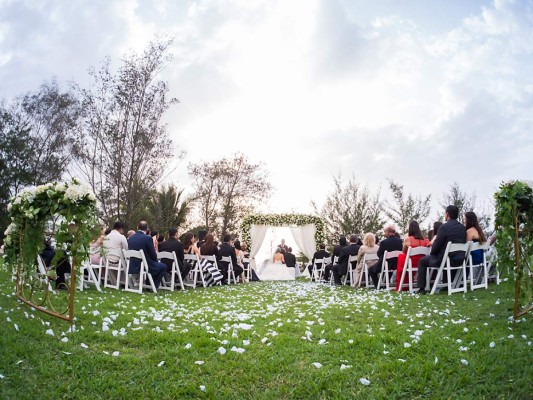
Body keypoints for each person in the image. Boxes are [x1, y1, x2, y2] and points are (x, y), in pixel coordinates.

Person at [416, 205, 467, 294]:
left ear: (447, 214)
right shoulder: (463, 228)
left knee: (422, 261)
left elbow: (436, 246)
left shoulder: (444, 227)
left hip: (446, 260)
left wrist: (432, 253)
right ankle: (447, 285)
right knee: (444, 255)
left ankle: (421, 289)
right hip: (460, 259)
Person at [127, 221, 167, 290]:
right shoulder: (147, 238)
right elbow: (153, 255)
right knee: (163, 266)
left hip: (133, 265)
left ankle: (149, 285)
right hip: (145, 264)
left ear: (137, 227)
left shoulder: (131, 238)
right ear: (147, 228)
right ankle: (153, 286)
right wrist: (156, 261)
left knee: (154, 265)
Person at [395, 221, 429, 291]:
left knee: (401, 257)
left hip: (411, 262)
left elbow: (404, 251)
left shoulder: (408, 239)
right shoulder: (424, 240)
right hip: (422, 263)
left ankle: (402, 283)